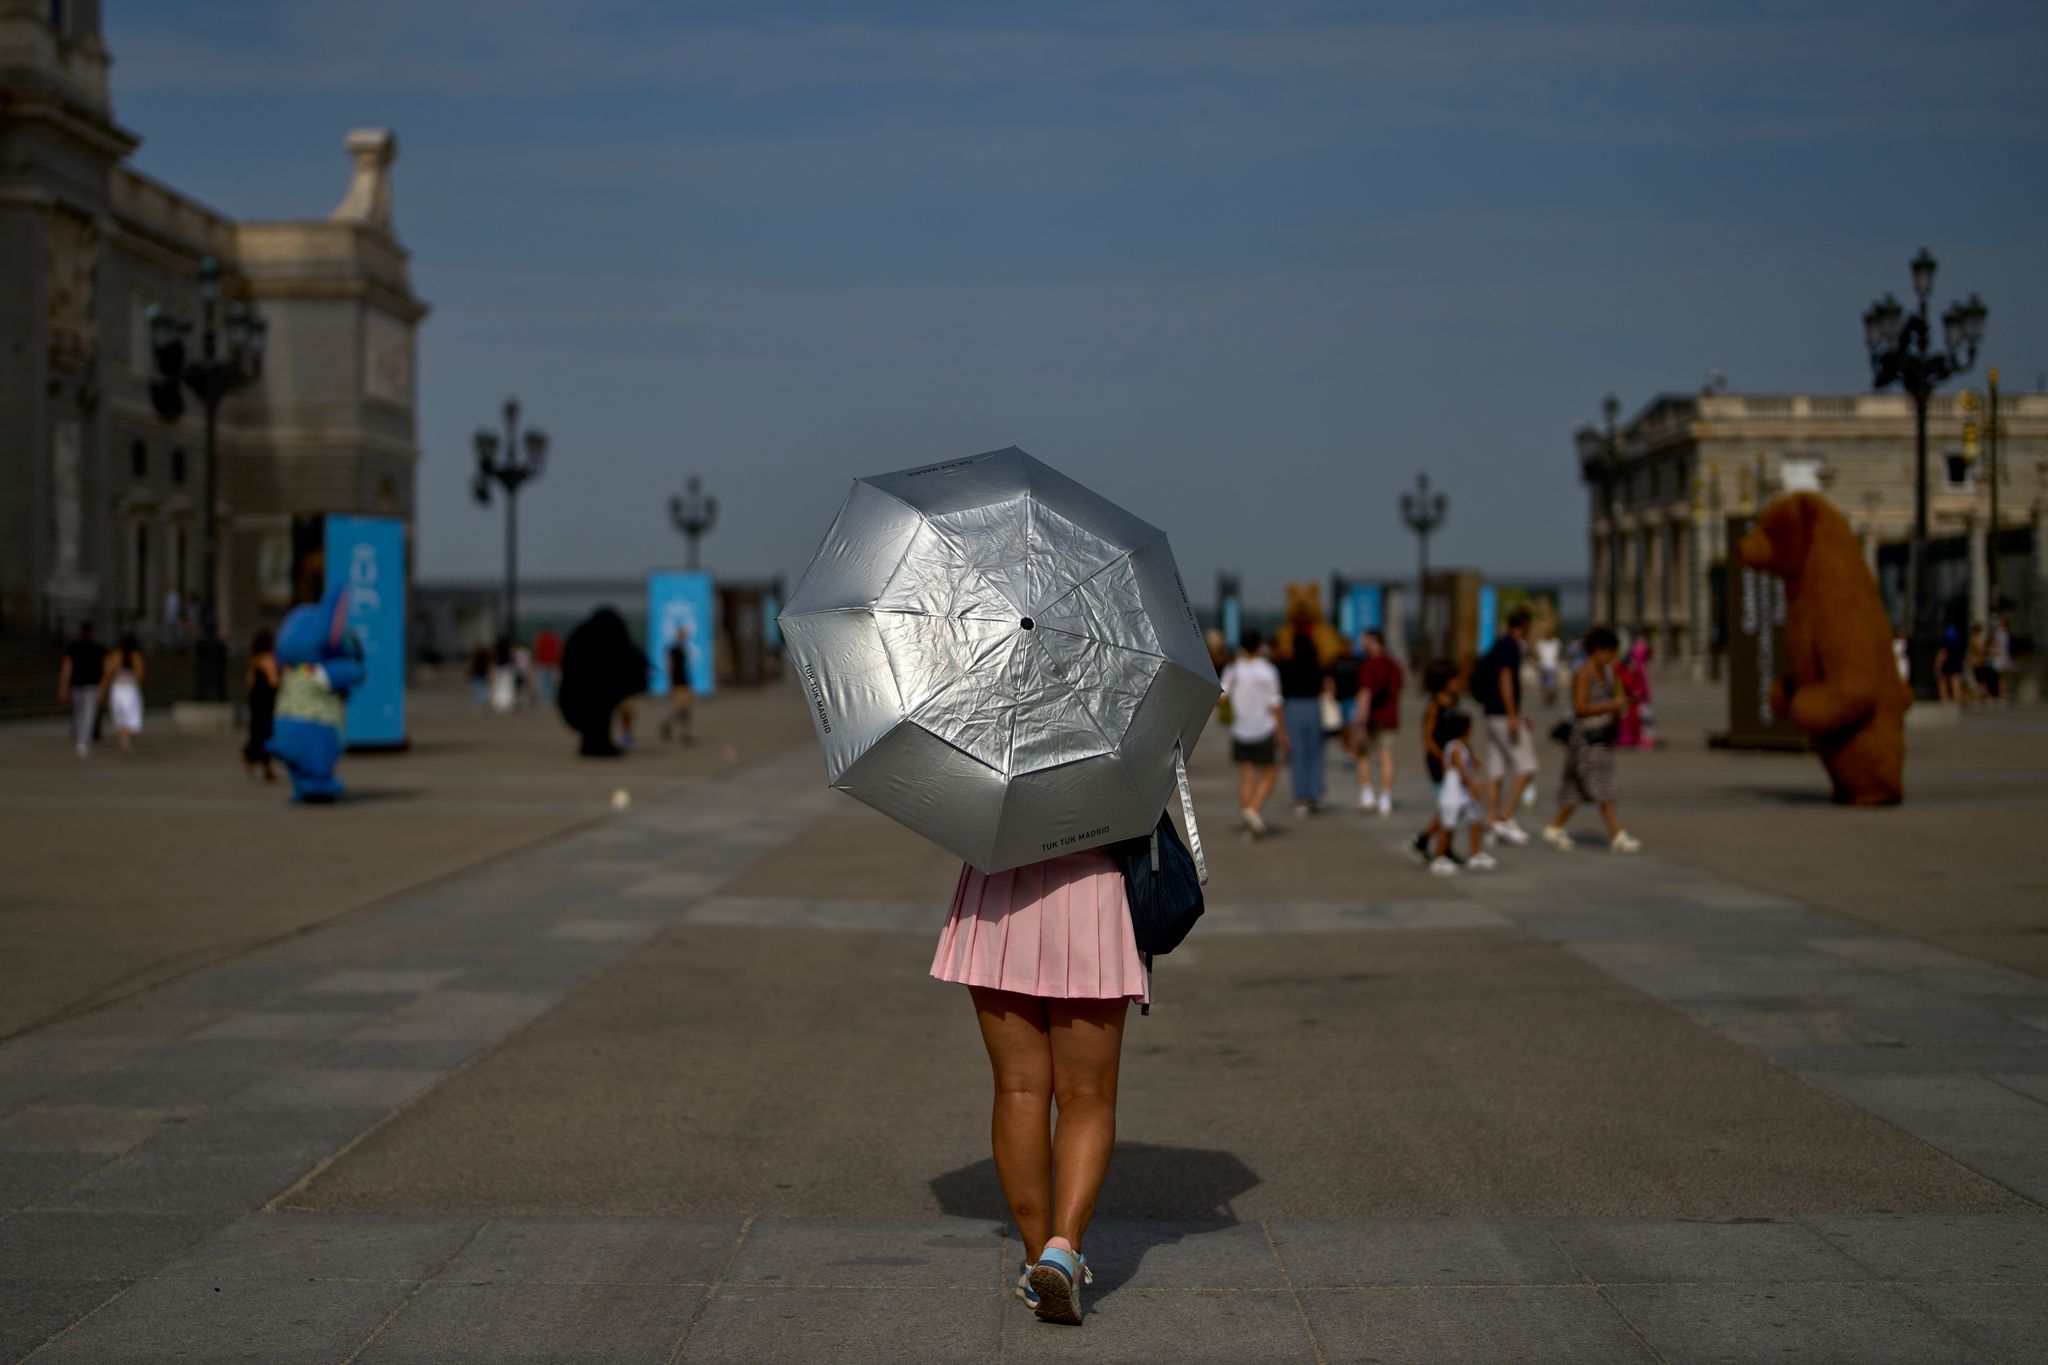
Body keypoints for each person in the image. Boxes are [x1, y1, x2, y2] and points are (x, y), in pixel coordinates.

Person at [931, 848, 1148, 1325]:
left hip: (998, 893)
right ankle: (1063, 1251)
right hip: (1094, 888)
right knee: (1087, 1093)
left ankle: (1035, 1263)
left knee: (1018, 1089)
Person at [1542, 626, 1642, 854]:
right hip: (1587, 738)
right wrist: (1611, 705)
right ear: (1598, 650)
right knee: (1602, 785)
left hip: (1599, 736)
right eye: (1610, 652)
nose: (1612, 658)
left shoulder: (1604, 672)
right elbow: (1580, 708)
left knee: (1576, 788)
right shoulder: (1584, 672)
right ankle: (1616, 833)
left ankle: (1555, 827)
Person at [1476, 606, 1537, 845]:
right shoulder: (1511, 646)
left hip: (1491, 713)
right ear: (1525, 625)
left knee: (1496, 768)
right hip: (1502, 714)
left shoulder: (1498, 644)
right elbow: (1505, 678)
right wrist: (1513, 714)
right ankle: (1505, 818)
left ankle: (1492, 822)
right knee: (1526, 766)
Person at [1219, 629, 1285, 837]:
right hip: (1263, 727)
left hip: (1241, 728)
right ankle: (1253, 810)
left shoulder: (1234, 669)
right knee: (1270, 773)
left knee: (1247, 775)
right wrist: (1282, 731)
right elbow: (1275, 704)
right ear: (1260, 646)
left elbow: (1221, 697)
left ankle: (1249, 818)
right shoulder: (1268, 670)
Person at [1409, 660, 1463, 863]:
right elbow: (1427, 738)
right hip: (1439, 763)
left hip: (1454, 760)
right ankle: (1426, 840)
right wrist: (1442, 757)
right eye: (1453, 679)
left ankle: (1440, 845)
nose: (1457, 683)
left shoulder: (1453, 701)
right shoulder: (1434, 706)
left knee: (1451, 806)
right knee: (1450, 806)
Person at [1429, 712, 1495, 875]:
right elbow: (1460, 768)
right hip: (1453, 796)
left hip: (1462, 796)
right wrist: (1473, 784)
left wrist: (1473, 759)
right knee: (1448, 826)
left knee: (1476, 820)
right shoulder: (1455, 747)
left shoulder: (1461, 746)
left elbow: (1466, 757)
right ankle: (1439, 857)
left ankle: (1475, 853)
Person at [1275, 624, 1327, 816]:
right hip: (1313, 706)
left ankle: (1301, 797)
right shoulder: (1316, 664)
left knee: (1297, 753)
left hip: (1293, 707)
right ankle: (1315, 794)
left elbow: (1281, 688)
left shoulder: (1286, 665)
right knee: (1315, 752)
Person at [1353, 630, 1403, 817]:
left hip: (1372, 717)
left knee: (1362, 753)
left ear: (1373, 641)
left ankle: (1367, 794)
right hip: (1390, 716)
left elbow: (1365, 694)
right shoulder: (1394, 665)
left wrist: (1361, 722)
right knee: (1387, 756)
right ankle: (1385, 798)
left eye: (1364, 640)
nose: (1361, 644)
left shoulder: (1368, 666)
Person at [57, 620, 107, 758]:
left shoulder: (73, 647)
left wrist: (63, 686)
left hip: (77, 685)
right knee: (87, 714)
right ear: (92, 632)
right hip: (91, 685)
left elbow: (66, 668)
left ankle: (80, 739)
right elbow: (105, 670)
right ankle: (83, 741)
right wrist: (103, 689)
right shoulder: (98, 648)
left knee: (79, 713)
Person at [243, 627, 280, 783]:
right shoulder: (268, 659)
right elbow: (274, 681)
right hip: (267, 701)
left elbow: (249, 681)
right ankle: (266, 768)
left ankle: (253, 760)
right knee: (268, 732)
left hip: (255, 699)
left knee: (256, 732)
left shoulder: (255, 660)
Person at [99, 632, 146, 752]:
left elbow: (107, 674)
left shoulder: (116, 655)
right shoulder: (134, 656)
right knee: (132, 718)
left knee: (120, 717)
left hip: (117, 689)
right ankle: (125, 738)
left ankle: (123, 739)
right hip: (130, 689)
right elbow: (140, 675)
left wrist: (102, 691)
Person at [660, 626, 696, 745]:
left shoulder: (683, 648)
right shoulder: (673, 649)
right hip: (677, 681)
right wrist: (670, 682)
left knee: (686, 709)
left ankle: (684, 732)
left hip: (685, 681)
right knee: (681, 707)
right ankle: (667, 723)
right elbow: (670, 665)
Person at [1616, 637, 1654, 749]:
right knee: (1635, 720)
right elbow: (1634, 682)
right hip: (1633, 698)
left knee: (1639, 719)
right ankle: (1633, 738)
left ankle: (1636, 738)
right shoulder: (1635, 664)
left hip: (1637, 698)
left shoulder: (1637, 664)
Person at [533, 627, 563, 705]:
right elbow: (558, 649)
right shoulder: (554, 638)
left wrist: (536, 660)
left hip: (544, 661)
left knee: (544, 679)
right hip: (551, 661)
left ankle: (545, 696)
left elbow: (537, 649)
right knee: (550, 680)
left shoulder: (541, 638)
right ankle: (550, 696)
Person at [1535, 631, 1563, 707]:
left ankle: (1549, 697)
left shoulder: (1556, 642)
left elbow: (1558, 654)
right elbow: (1538, 655)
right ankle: (1548, 697)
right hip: (1544, 666)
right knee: (1545, 684)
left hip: (1552, 666)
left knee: (1550, 684)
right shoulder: (1540, 643)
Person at [467, 644, 491, 711]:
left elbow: (473, 664)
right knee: (480, 687)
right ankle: (481, 701)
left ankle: (480, 701)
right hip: (480, 673)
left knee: (479, 687)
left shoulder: (478, 655)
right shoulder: (483, 655)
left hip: (479, 673)